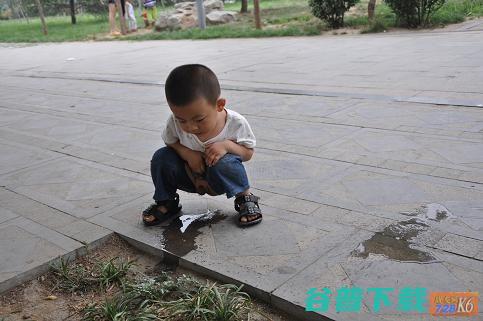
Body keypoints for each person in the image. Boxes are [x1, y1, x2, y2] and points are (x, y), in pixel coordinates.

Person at [142, 64, 263, 228]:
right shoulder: (174, 121)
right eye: (181, 120)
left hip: (219, 178)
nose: (190, 127)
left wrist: (227, 146)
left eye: (199, 120)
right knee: (161, 156)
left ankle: (245, 198)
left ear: (219, 105)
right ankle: (166, 201)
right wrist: (187, 153)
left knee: (226, 162)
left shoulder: (236, 123)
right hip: (189, 176)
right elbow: (170, 141)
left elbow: (248, 153)